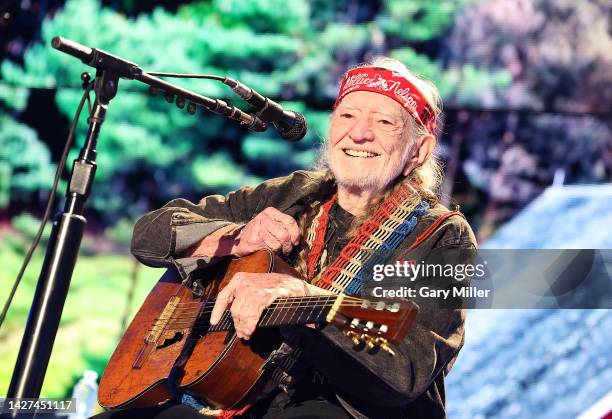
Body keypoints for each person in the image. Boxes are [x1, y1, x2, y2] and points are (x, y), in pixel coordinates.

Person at [99, 56, 476, 419]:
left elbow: (408, 366)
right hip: (226, 401)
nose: (359, 133)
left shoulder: (441, 235)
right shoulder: (292, 194)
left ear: (418, 150)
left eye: (383, 122)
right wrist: (236, 238)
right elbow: (148, 234)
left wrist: (303, 299)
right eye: (347, 115)